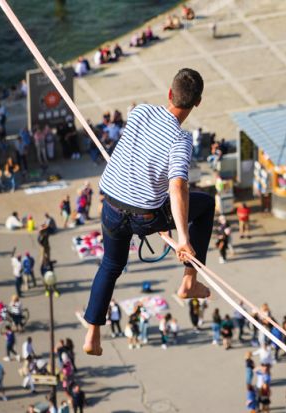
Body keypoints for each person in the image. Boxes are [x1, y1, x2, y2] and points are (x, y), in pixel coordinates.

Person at [82, 69, 213, 356]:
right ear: (198, 103)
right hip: (145, 215)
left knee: (110, 266)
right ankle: (189, 280)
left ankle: (92, 334)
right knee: (207, 205)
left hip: (112, 206)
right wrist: (183, 238)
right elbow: (178, 186)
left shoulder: (140, 112)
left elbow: (140, 154)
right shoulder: (181, 140)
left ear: (169, 93)